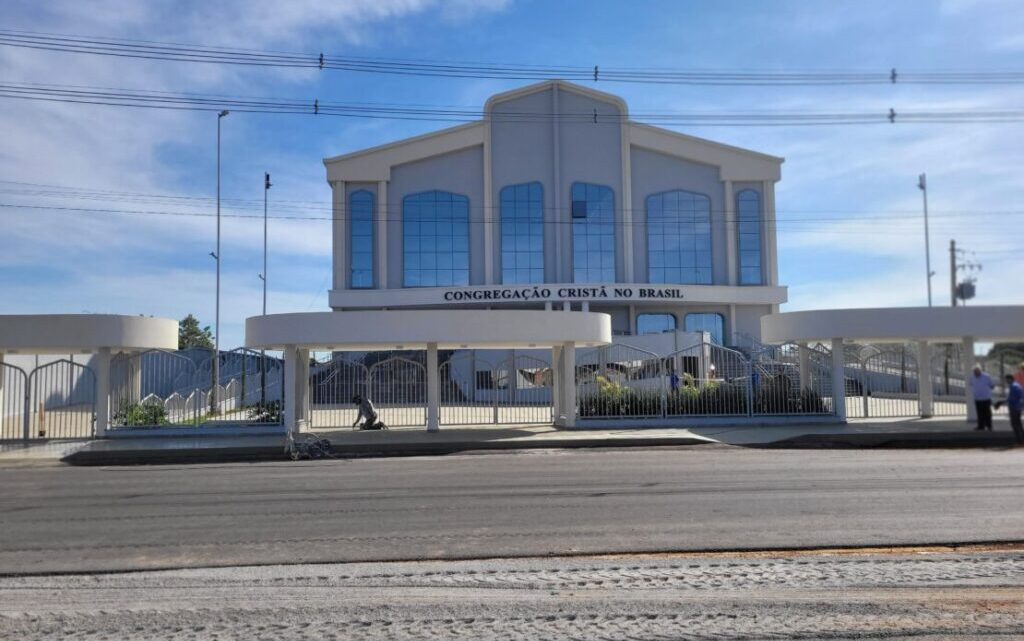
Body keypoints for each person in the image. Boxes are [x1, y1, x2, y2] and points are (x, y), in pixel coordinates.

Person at [995, 374, 1023, 444]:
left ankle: (1019, 440)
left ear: (1010, 379)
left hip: (1014, 408)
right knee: (1018, 424)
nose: (1006, 381)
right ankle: (1021, 439)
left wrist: (1001, 402)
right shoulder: (1016, 385)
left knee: (1015, 424)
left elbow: (1011, 399)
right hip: (1018, 407)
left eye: (1007, 379)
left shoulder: (1013, 387)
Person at [970, 365, 994, 431]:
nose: (975, 373)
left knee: (987, 413)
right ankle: (981, 426)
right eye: (974, 372)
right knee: (979, 413)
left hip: (986, 398)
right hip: (977, 399)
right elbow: (971, 385)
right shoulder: (972, 377)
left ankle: (989, 426)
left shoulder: (986, 376)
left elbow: (992, 386)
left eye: (977, 371)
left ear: (980, 371)